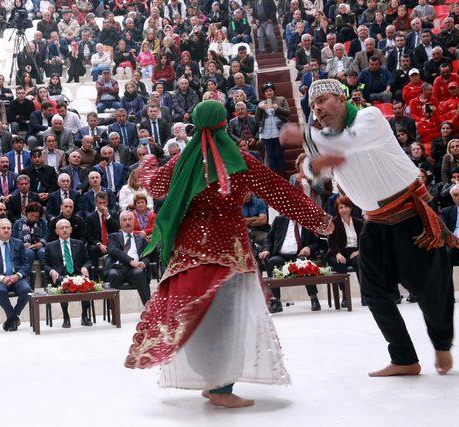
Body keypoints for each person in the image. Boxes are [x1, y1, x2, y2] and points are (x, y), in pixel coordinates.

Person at [125, 101, 332, 407]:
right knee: (229, 318)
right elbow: (280, 192)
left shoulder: (182, 160)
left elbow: (155, 188)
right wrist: (318, 220)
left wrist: (148, 166)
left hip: (190, 250)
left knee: (198, 315)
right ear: (224, 124)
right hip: (229, 249)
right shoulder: (239, 158)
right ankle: (222, 389)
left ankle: (212, 382)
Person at [280, 79, 455, 376]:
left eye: (321, 102)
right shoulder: (327, 136)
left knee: (430, 289)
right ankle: (404, 358)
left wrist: (308, 137)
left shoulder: (369, 117)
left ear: (339, 98)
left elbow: (348, 143)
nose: (317, 109)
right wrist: (316, 163)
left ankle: (440, 344)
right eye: (312, 107)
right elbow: (310, 168)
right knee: (373, 293)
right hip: (374, 222)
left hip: (410, 214)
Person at [42, 218, 92, 328]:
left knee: (85, 281)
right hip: (60, 275)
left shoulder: (79, 244)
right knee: (62, 281)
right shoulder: (50, 246)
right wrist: (51, 271)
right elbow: (45, 264)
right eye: (61, 228)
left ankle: (84, 316)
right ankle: (66, 317)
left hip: (77, 273)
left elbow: (87, 260)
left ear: (71, 230)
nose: (64, 230)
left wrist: (84, 267)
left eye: (66, 227)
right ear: (56, 231)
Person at [0, 218, 31, 331]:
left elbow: (25, 264)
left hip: (17, 278)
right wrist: (2, 278)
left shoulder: (18, 243)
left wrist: (18, 275)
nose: (6, 230)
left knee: (26, 290)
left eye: (8, 228)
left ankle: (13, 317)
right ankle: (12, 316)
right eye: (3, 228)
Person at [104, 210, 151, 305]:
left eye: (130, 219)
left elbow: (147, 256)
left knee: (139, 273)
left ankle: (149, 309)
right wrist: (129, 260)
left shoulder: (141, 238)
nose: (127, 222)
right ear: (120, 222)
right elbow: (113, 251)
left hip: (134, 270)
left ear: (134, 222)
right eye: (124, 220)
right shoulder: (114, 236)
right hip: (117, 268)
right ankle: (113, 312)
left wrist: (144, 263)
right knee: (112, 274)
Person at [327, 196, 363, 307]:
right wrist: (337, 254)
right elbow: (331, 241)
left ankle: (365, 295)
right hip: (337, 251)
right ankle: (345, 296)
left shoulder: (359, 222)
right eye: (341, 207)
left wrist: (359, 251)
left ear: (351, 208)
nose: (344, 210)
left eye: (346, 207)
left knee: (359, 261)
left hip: (355, 251)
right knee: (339, 263)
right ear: (337, 210)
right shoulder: (333, 222)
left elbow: (365, 239)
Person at [13, 201, 48, 270]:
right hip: (24, 248)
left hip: (39, 247)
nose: (34, 218)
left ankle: (46, 275)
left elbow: (46, 234)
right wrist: (22, 245)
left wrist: (41, 243)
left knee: (42, 252)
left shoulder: (42, 222)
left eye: (36, 216)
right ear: (27, 213)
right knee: (29, 253)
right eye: (32, 215)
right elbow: (14, 238)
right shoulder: (18, 223)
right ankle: (26, 275)